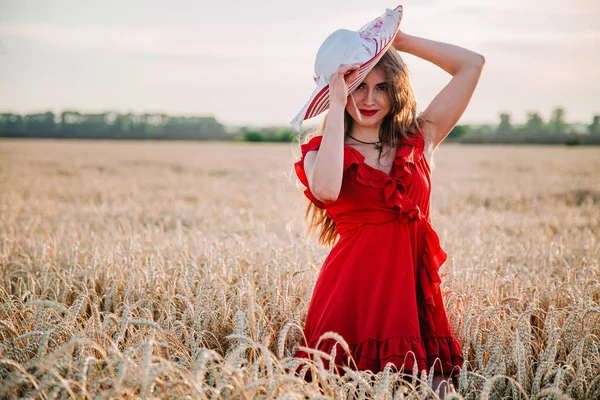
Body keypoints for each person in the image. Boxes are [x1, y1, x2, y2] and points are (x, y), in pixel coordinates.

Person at [291, 5, 485, 398]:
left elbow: (472, 64)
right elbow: (327, 190)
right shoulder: (321, 150)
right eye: (358, 85)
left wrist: (398, 41)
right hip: (351, 297)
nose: (369, 98)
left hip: (412, 299)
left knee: (435, 389)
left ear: (396, 90)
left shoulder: (420, 137)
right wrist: (334, 101)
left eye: (381, 86)